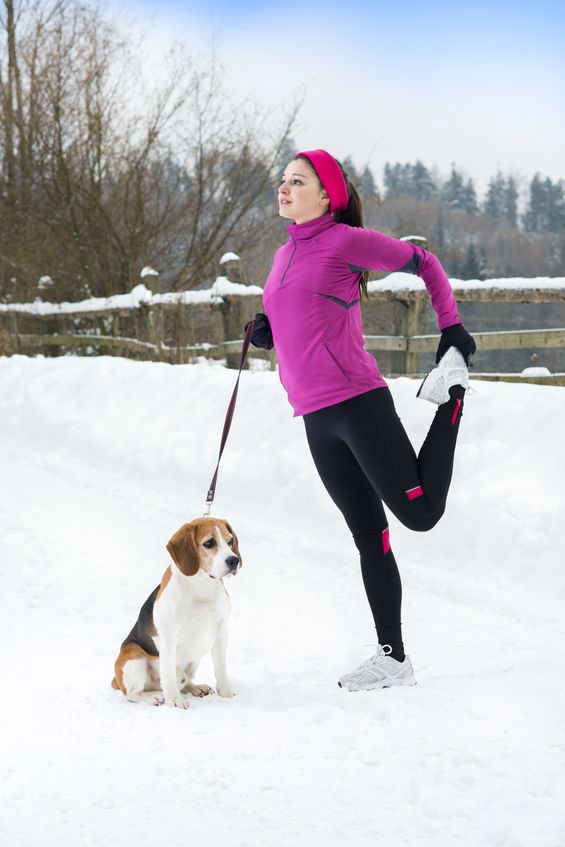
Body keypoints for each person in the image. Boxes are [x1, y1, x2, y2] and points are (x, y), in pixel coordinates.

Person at [246, 148, 476, 692]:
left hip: (357, 404)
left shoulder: (344, 242)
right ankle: (393, 658)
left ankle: (454, 395)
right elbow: (306, 316)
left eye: (297, 182)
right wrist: (270, 332)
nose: (284, 188)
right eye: (283, 180)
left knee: (419, 516)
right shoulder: (283, 256)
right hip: (315, 418)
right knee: (368, 535)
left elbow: (426, 263)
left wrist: (450, 327)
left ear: (328, 196)